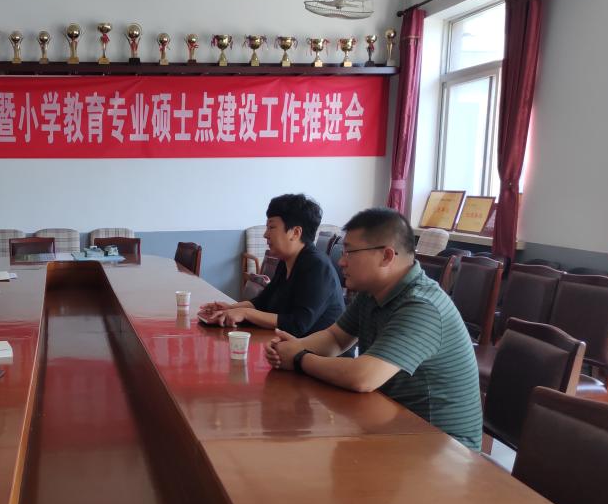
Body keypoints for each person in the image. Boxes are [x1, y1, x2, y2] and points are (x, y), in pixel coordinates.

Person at [264, 207, 482, 451]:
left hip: (442, 448)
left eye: (350, 252)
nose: (341, 261)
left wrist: (299, 358)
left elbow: (363, 377)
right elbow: (335, 338)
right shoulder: (372, 292)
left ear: (386, 256)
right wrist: (292, 347)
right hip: (394, 423)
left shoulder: (422, 306)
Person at [200, 193, 345, 334]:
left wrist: (245, 313)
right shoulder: (285, 262)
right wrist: (231, 309)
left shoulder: (317, 267)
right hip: (289, 344)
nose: (265, 234)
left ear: (295, 233)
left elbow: (298, 324)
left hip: (317, 350)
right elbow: (262, 302)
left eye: (272, 227)